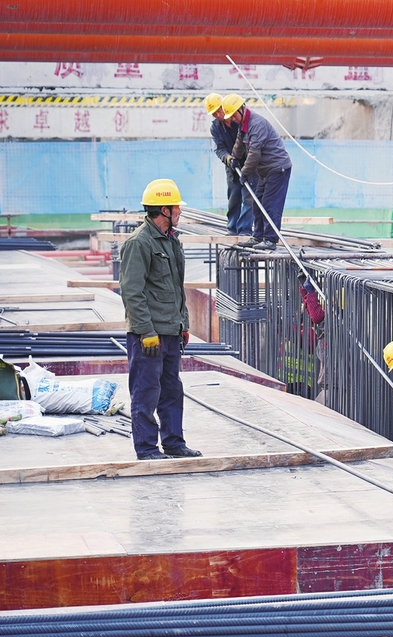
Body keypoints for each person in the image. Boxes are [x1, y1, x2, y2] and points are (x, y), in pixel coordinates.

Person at [119, 179, 203, 461]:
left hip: (170, 331)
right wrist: (145, 331)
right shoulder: (139, 243)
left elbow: (176, 288)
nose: (180, 211)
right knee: (146, 392)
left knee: (171, 390)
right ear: (164, 210)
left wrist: (184, 324)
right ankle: (146, 448)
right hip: (149, 335)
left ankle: (174, 443)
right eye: (176, 207)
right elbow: (132, 291)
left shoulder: (170, 241)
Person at [222, 93, 292, 251]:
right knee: (257, 203)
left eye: (233, 115)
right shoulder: (243, 125)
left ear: (241, 109)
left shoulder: (257, 124)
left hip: (277, 169)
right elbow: (240, 143)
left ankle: (271, 240)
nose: (232, 119)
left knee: (270, 204)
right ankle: (258, 236)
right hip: (265, 171)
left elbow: (254, 153)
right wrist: (234, 157)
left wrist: (245, 172)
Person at [204, 92, 256, 236]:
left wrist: (245, 161)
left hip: (249, 165)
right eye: (214, 113)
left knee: (248, 197)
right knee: (234, 197)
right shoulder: (215, 127)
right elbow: (219, 148)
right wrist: (228, 159)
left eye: (218, 111)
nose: (217, 115)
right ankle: (232, 229)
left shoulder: (237, 120)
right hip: (232, 167)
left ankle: (245, 230)